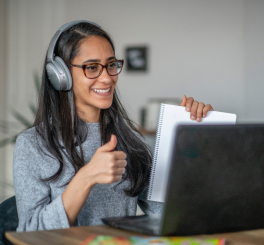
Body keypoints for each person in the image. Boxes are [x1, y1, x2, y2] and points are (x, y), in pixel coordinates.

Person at [13, 21, 214, 232]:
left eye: (111, 65)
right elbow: (29, 234)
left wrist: (194, 140)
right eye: (91, 67)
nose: (107, 78)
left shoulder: (130, 142)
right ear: (60, 75)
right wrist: (86, 177)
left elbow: (170, 216)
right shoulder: (33, 144)